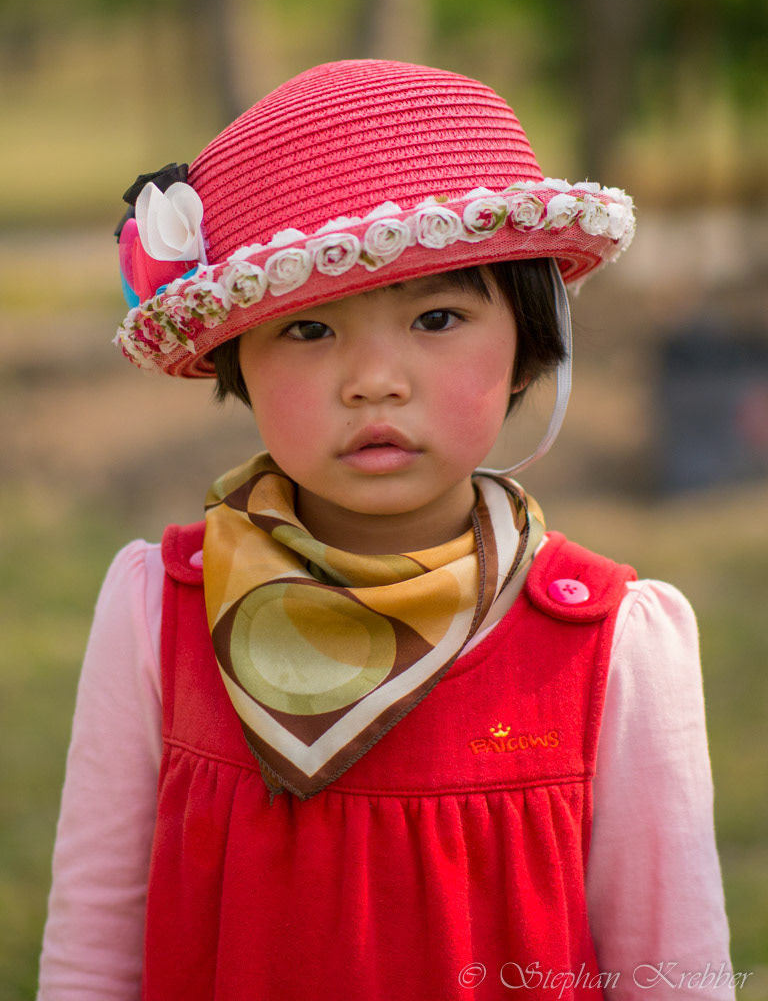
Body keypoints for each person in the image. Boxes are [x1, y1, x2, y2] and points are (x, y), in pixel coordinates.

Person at [37, 60, 736, 1000]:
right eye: (309, 330)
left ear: (532, 344)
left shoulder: (611, 646)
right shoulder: (158, 610)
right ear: (231, 356)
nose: (374, 379)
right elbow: (92, 955)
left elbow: (674, 972)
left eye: (437, 318)